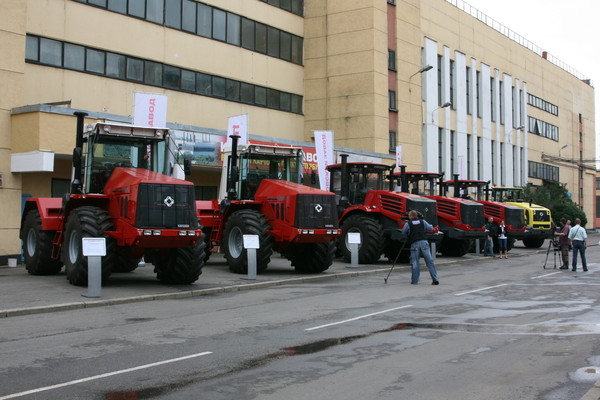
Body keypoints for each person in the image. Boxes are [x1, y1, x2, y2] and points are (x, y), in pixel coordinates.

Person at [401, 210, 440, 285]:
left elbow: (403, 231)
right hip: (424, 242)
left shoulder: (408, 223)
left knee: (415, 262)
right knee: (429, 261)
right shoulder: (423, 221)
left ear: (411, 216)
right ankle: (435, 279)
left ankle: (415, 281)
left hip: (414, 243)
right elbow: (430, 227)